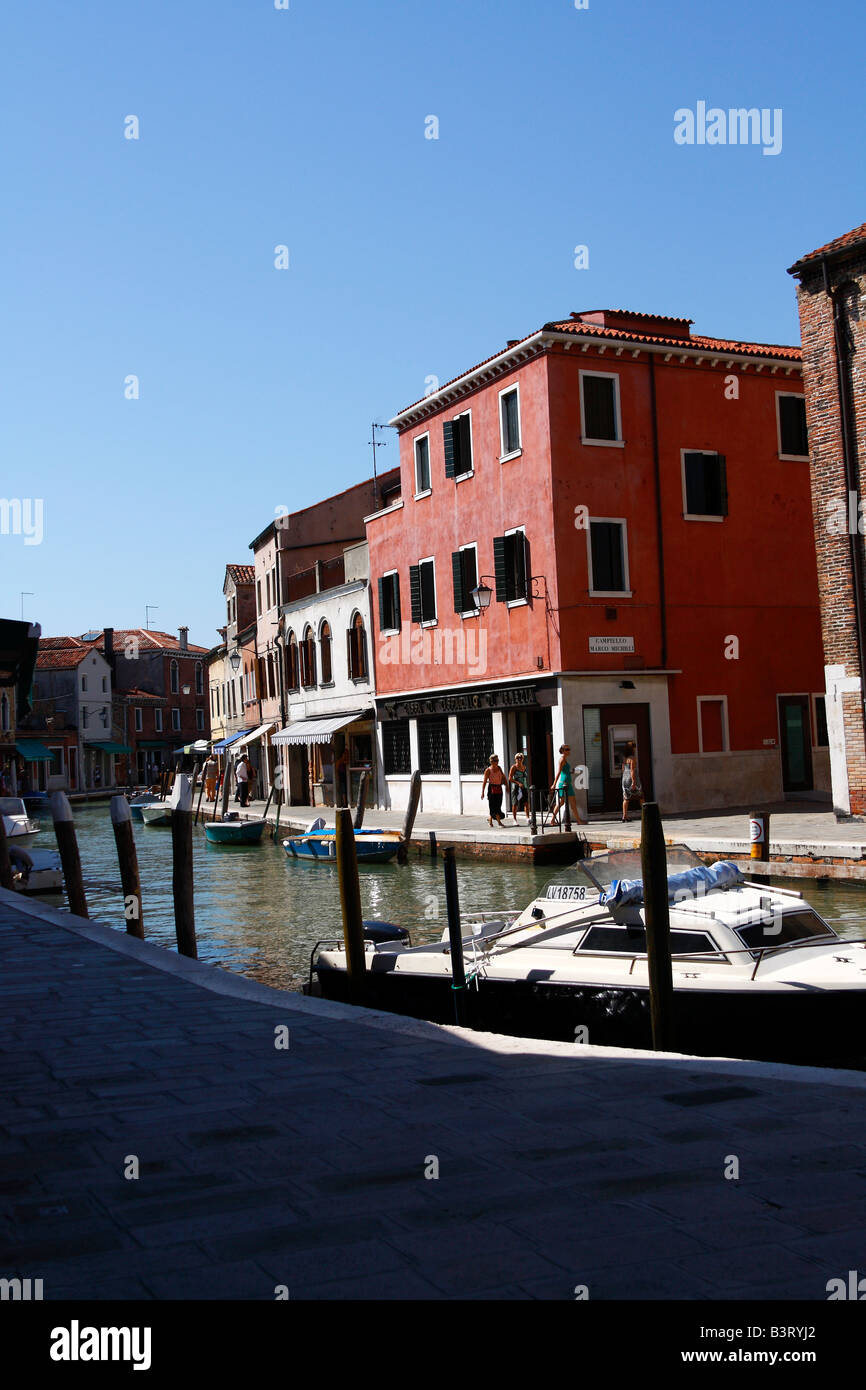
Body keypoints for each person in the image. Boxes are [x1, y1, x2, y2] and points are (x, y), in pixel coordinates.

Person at [551, 744, 585, 826]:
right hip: (564, 784)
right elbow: (559, 772)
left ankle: (578, 820)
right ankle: (578, 821)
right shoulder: (562, 759)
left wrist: (572, 771)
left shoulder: (565, 759)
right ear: (562, 751)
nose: (568, 751)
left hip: (567, 783)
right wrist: (554, 784)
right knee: (562, 803)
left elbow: (565, 771)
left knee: (567, 803)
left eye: (569, 749)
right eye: (566, 749)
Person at [481, 754, 507, 827]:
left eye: (498, 760)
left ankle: (490, 819)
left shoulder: (499, 768)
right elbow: (485, 781)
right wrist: (482, 792)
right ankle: (499, 822)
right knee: (493, 806)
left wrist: (506, 785)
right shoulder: (488, 770)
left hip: (499, 788)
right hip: (492, 788)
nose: (497, 762)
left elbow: (503, 777)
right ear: (491, 761)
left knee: (498, 805)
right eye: (496, 760)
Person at [621, 741, 643, 822]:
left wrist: (625, 777)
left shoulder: (624, 758)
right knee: (641, 796)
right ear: (632, 749)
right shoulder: (632, 758)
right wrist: (633, 782)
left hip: (624, 779)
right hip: (632, 778)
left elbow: (623, 769)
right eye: (634, 748)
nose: (635, 749)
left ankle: (624, 816)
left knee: (626, 798)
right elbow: (632, 770)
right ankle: (646, 813)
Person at [508, 752, 530, 823]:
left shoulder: (524, 767)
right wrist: (518, 783)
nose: (519, 759)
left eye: (521, 757)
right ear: (515, 759)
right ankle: (514, 819)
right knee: (515, 803)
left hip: (524, 786)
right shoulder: (514, 767)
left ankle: (527, 818)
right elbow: (510, 778)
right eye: (517, 758)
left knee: (526, 802)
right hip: (516, 787)